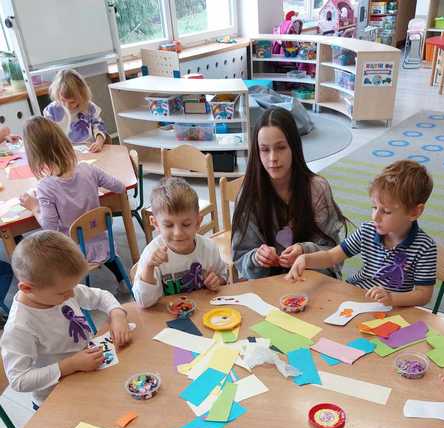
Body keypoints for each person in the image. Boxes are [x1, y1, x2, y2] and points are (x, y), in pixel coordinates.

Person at [0, 231, 130, 407]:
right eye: (63, 292)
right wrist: (69, 365)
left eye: (73, 286)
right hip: (56, 397)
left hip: (90, 374)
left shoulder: (60, 290)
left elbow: (101, 296)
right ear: (27, 288)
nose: (71, 294)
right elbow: (19, 380)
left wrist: (117, 314)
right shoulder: (19, 327)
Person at [286, 159, 437, 307]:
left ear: (414, 212)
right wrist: (306, 259)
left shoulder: (425, 248)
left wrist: (392, 299)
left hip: (388, 309)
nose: (375, 217)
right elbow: (332, 256)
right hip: (354, 295)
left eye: (386, 211)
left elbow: (423, 295)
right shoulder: (368, 231)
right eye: (374, 207)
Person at [231, 107, 347, 280]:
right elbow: (241, 258)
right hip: (267, 287)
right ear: (256, 151)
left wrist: (304, 252)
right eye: (264, 149)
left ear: (294, 147)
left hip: (310, 282)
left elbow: (334, 255)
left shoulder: (317, 189)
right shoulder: (249, 196)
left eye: (281, 147)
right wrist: (257, 258)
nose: (272, 158)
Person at [19, 116, 128, 289]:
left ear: (34, 156)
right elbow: (120, 187)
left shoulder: (46, 187)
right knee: (93, 237)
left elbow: (50, 230)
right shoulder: (88, 169)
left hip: (72, 253)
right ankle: (122, 279)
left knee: (38, 250)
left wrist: (34, 207)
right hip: (103, 243)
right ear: (63, 141)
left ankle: (63, 290)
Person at [133, 177, 227, 307]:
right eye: (168, 225)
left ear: (198, 222)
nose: (178, 233)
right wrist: (149, 267)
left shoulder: (209, 248)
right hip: (167, 318)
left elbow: (223, 276)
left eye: (186, 224)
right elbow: (143, 302)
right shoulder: (151, 254)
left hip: (203, 311)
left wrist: (218, 281)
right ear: (155, 224)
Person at [43, 68, 108, 152]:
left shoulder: (89, 107)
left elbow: (99, 127)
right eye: (63, 100)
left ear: (82, 96)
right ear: (57, 94)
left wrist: (99, 143)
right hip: (64, 152)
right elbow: (48, 137)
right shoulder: (51, 111)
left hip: (88, 150)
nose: (67, 106)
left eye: (72, 102)